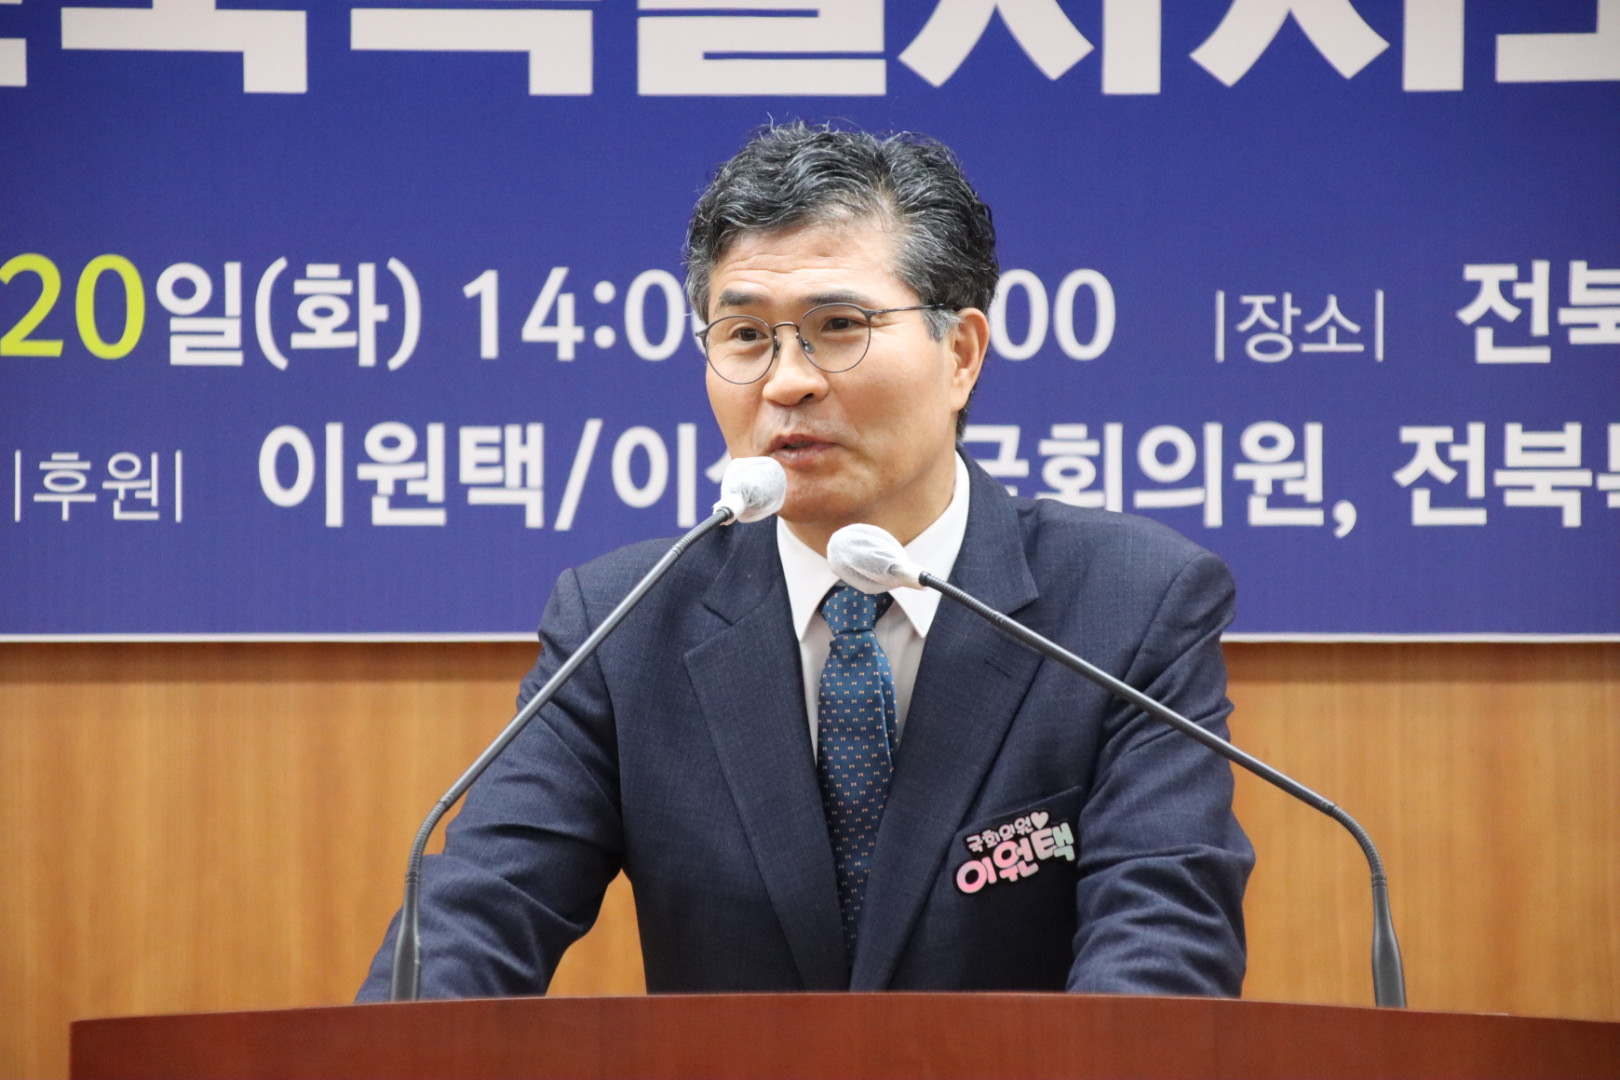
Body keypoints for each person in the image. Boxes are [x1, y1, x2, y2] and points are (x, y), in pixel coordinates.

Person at [359, 122, 1252, 999]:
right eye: (747, 336)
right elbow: (478, 915)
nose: (788, 381)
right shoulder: (625, 622)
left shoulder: (1128, 606)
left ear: (961, 355)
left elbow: (1160, 952)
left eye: (838, 325)